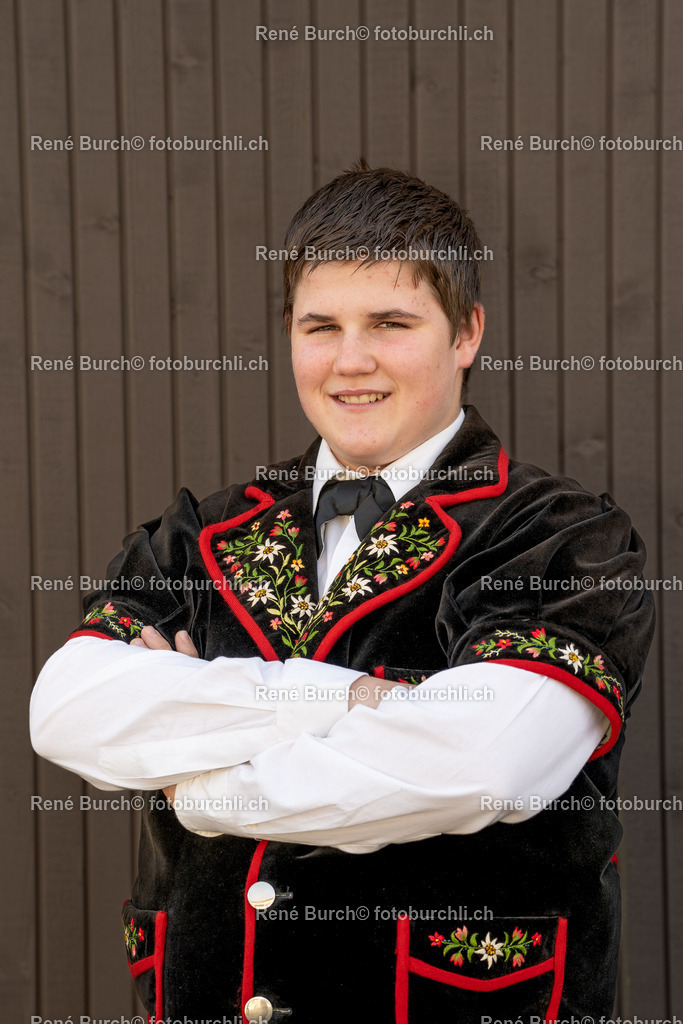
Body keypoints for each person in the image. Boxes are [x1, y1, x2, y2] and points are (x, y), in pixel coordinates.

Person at [30, 163, 655, 1023]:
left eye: (391, 323)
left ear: (466, 332)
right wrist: (335, 699)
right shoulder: (197, 536)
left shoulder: (562, 539)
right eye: (319, 325)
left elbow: (479, 764)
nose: (349, 361)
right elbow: (67, 709)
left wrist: (207, 788)